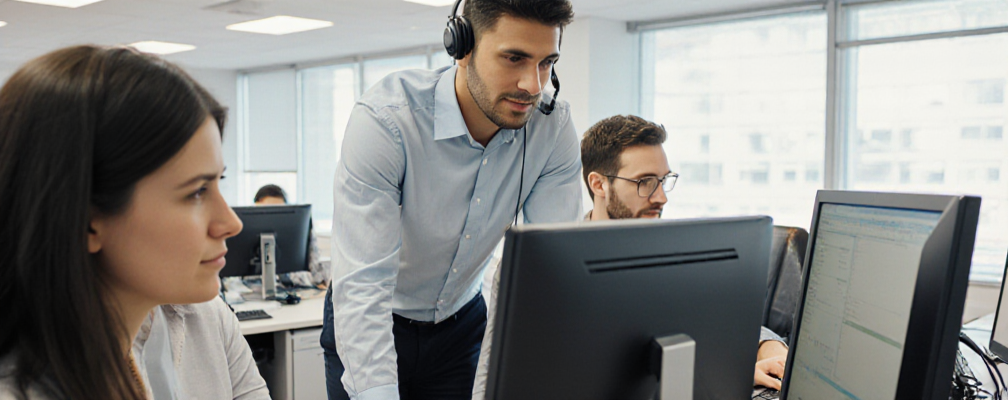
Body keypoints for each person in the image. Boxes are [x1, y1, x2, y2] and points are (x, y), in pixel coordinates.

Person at [320, 0, 581, 398]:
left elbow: (550, 274)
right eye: (514, 58)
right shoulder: (388, 121)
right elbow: (364, 284)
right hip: (373, 317)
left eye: (547, 63)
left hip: (461, 324)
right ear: (462, 48)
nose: (533, 85)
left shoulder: (551, 127)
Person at [0, 45, 267, 399]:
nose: (231, 223)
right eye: (196, 192)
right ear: (87, 219)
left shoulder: (207, 316)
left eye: (220, 182)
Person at [472, 115, 790, 399]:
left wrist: (767, 347)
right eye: (645, 183)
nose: (661, 197)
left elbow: (718, 321)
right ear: (599, 184)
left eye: (664, 181)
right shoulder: (538, 266)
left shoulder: (674, 253)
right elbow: (489, 381)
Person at [253, 184, 328, 287]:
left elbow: (318, 277)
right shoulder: (244, 231)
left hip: (294, 293)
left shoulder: (299, 230)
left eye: (278, 213)